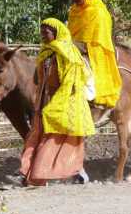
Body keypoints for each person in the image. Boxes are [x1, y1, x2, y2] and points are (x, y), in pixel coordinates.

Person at [8, 18, 95, 186]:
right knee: (34, 137)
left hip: (64, 103)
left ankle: (38, 176)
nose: (42, 36)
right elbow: (41, 80)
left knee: (51, 141)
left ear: (56, 33)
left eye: (46, 33)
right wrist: (40, 100)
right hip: (45, 101)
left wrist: (57, 104)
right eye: (41, 32)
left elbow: (70, 82)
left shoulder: (68, 54)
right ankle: (25, 172)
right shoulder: (46, 52)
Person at [67, 0, 122, 108]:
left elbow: (97, 37)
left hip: (94, 48)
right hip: (74, 44)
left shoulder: (98, 11)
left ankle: (89, 94)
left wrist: (70, 44)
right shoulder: (74, 10)